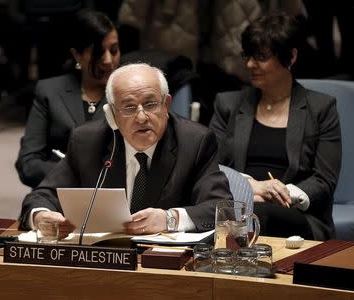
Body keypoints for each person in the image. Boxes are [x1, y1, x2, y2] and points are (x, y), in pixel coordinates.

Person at [19, 63, 231, 235]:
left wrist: (170, 219)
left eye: (150, 104)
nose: (141, 117)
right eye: (129, 108)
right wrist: (41, 216)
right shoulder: (87, 141)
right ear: (112, 114)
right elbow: (42, 196)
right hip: (104, 260)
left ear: (166, 105)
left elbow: (223, 208)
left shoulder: (194, 142)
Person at [208, 13, 341, 241]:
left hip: (297, 213)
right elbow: (209, 167)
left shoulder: (321, 108)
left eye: (261, 56)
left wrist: (281, 194)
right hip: (238, 205)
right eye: (247, 55)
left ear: (290, 57)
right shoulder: (228, 104)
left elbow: (324, 179)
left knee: (258, 214)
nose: (250, 64)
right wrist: (251, 188)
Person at [15, 9, 121, 188]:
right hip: (55, 195)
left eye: (114, 50)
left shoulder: (129, 94)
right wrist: (76, 175)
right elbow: (28, 164)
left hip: (111, 198)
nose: (108, 60)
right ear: (77, 55)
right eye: (98, 52)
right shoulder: (49, 91)